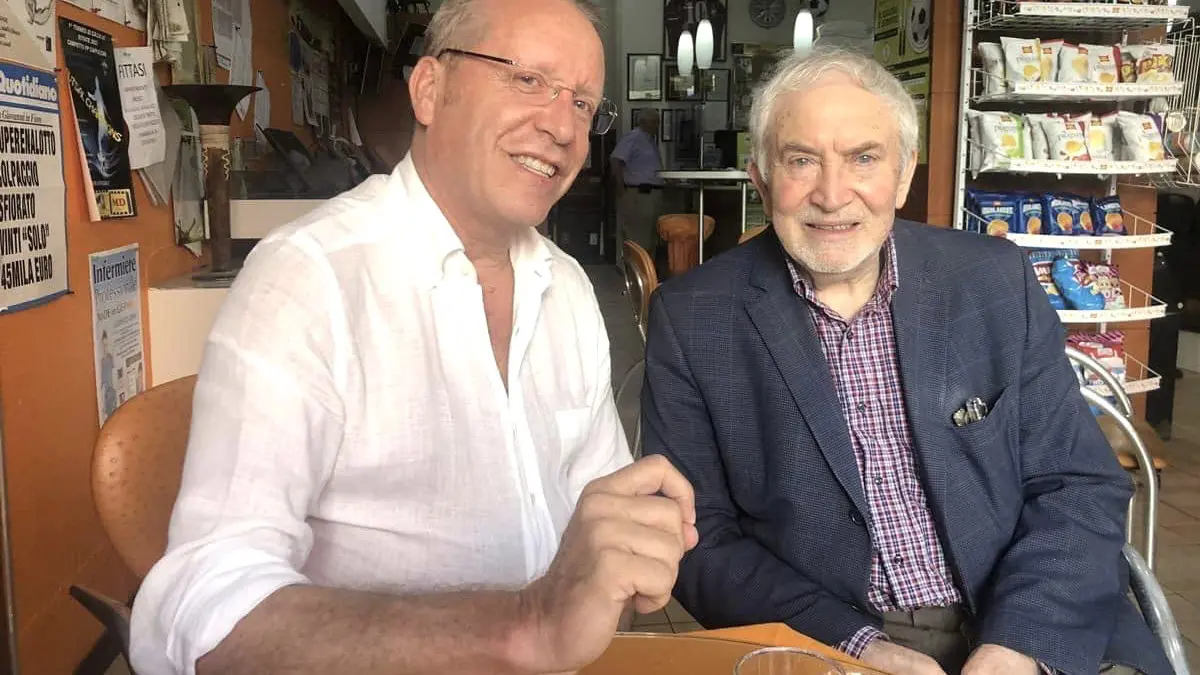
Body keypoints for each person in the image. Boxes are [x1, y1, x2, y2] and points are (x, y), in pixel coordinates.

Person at [128, 1, 698, 673]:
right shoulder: (310, 278)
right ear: (429, 88)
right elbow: (202, 608)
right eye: (528, 80)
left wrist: (628, 548)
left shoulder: (568, 288)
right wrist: (529, 625)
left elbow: (600, 533)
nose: (562, 127)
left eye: (582, 103)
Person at [641, 46, 1171, 675]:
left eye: (863, 158)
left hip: (1033, 613)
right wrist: (854, 645)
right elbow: (700, 537)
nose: (832, 195)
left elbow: (1078, 482)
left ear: (903, 174)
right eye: (801, 160)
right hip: (830, 632)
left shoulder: (992, 279)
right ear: (760, 178)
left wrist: (1019, 645)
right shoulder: (693, 317)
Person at [610, 108, 664, 259]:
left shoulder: (650, 140)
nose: (657, 126)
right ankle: (635, 272)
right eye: (655, 122)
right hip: (639, 194)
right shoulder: (634, 137)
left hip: (651, 195)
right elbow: (616, 160)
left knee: (650, 239)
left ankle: (647, 272)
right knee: (638, 239)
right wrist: (621, 189)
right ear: (643, 122)